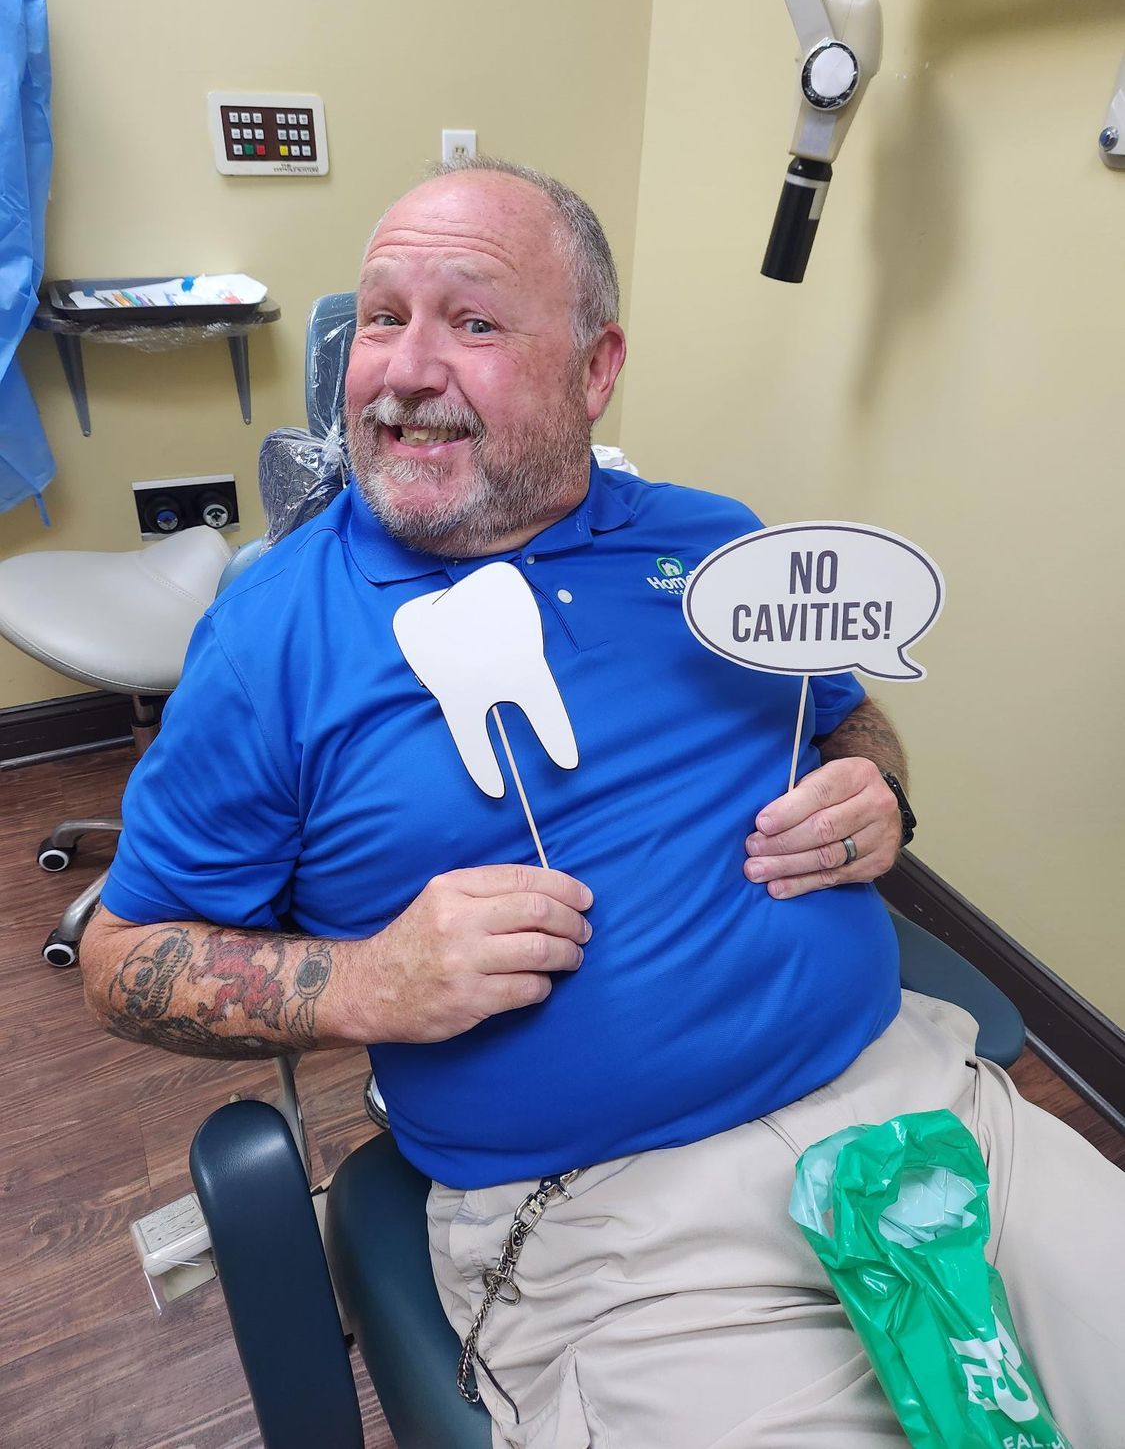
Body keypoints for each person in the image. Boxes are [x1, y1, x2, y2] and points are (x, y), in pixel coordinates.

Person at [81, 158, 1123, 1448]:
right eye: (381, 317)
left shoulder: (714, 543)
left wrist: (880, 787)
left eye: (471, 321)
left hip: (925, 1101)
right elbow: (122, 957)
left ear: (595, 369)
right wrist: (367, 986)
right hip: (612, 1227)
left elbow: (844, 710)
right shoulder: (271, 644)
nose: (402, 366)